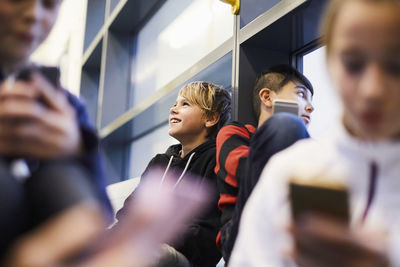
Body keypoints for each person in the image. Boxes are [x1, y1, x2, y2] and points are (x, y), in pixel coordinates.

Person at [230, 0, 400, 266]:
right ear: (330, 63)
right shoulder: (288, 169)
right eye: (353, 64)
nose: (372, 90)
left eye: (396, 66)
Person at [0, 0, 113, 264]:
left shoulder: (67, 107)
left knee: (64, 173)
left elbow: (100, 209)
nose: (33, 14)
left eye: (49, 4)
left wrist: (76, 150)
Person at [116, 81, 231, 267]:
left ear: (210, 119)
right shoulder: (159, 163)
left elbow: (205, 232)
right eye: (175, 104)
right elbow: (128, 213)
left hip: (182, 257)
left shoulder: (216, 160)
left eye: (185, 104)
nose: (173, 110)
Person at [215, 65, 314, 261]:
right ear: (267, 97)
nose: (310, 107)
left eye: (311, 101)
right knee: (286, 124)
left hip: (294, 232)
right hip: (240, 230)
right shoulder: (237, 133)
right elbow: (242, 170)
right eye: (301, 95)